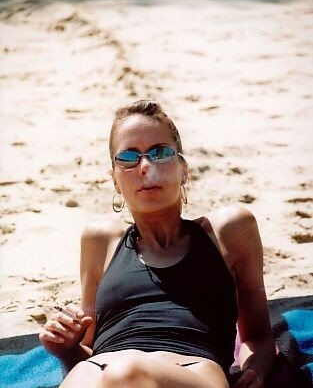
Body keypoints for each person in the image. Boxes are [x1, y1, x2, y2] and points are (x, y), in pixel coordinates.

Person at [39, 100, 276, 388]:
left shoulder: (229, 230)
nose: (145, 166)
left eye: (160, 153)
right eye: (128, 157)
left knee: (127, 374)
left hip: (189, 369)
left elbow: (258, 336)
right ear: (114, 180)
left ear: (184, 169)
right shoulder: (100, 241)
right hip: (97, 370)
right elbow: (86, 347)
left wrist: (258, 370)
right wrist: (66, 348)